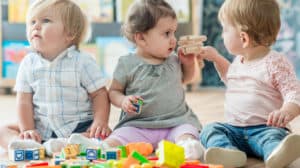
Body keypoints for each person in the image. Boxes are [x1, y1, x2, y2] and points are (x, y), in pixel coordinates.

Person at [69, 0, 203, 160]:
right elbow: (114, 91)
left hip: (176, 122)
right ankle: (98, 146)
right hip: (139, 126)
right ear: (141, 38)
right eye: (167, 33)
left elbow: (186, 79)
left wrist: (189, 64)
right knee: (120, 137)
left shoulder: (174, 59)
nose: (174, 39)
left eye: (174, 32)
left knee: (188, 131)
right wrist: (123, 100)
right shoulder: (127, 63)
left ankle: (188, 147)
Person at [0, 0, 111, 156]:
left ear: (69, 33)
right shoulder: (28, 63)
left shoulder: (82, 62)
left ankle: (66, 144)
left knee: (100, 135)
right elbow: (23, 100)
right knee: (2, 130)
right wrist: (27, 130)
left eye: (45, 21)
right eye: (32, 22)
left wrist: (100, 122)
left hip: (77, 127)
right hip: (41, 129)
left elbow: (100, 94)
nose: (35, 26)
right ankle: (30, 145)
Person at [198, 0, 300, 167]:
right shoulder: (239, 61)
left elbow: (294, 92)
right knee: (210, 129)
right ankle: (229, 153)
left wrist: (286, 111)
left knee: (272, 138)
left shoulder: (275, 63)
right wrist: (216, 58)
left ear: (244, 38)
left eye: (225, 30)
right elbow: (231, 78)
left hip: (265, 129)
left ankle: (277, 153)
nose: (222, 35)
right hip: (234, 130)